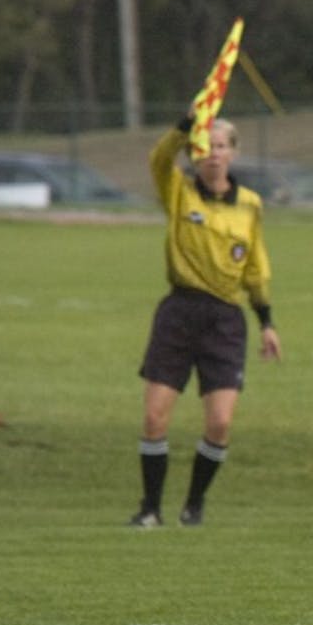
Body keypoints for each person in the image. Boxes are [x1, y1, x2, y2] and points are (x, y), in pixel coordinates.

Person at [129, 114, 282, 528]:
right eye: (204, 147)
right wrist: (180, 129)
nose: (212, 155)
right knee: (155, 417)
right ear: (194, 154)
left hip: (225, 319)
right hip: (179, 312)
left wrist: (266, 320)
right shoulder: (178, 190)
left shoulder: (249, 204)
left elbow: (255, 264)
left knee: (220, 422)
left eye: (219, 147)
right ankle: (150, 509)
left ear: (232, 152)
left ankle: (194, 505)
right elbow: (159, 160)